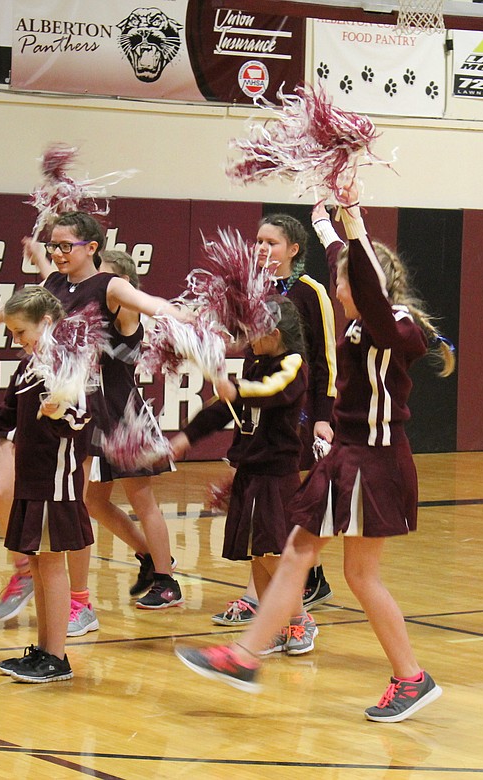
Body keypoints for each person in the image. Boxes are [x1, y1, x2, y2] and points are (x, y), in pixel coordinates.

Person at [176, 188, 455, 724]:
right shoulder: (358, 317)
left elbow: (368, 289)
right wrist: (328, 225)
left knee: (359, 575)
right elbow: (344, 267)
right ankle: (246, 656)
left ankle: (411, 676)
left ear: (363, 283)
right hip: (349, 455)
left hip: (375, 459)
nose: (335, 286)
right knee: (301, 553)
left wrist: (353, 225)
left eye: (343, 279)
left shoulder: (394, 326)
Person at [0, 213, 186, 634]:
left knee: (91, 503)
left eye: (67, 245)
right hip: (44, 403)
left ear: (92, 248)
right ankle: (33, 573)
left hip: (95, 412)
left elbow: (148, 303)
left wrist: (179, 316)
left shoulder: (110, 288)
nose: (58, 252)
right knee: (28, 494)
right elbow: (12, 308)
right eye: (55, 245)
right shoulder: (53, 287)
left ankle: (105, 593)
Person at [0, 286, 92, 683]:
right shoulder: (29, 366)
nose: (17, 340)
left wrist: (59, 409)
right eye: (11, 334)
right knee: (41, 566)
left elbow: (82, 418)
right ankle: (43, 650)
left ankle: (57, 656)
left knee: (52, 565)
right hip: (30, 478)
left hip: (53, 481)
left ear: (46, 322)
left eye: (21, 332)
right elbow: (7, 415)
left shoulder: (67, 362)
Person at [211, 214, 339, 626]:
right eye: (259, 241)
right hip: (255, 407)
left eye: (273, 243)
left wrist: (323, 417)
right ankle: (267, 596)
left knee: (278, 508)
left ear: (294, 250)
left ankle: (289, 596)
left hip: (292, 407)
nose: (263, 249)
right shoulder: (250, 291)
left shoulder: (310, 292)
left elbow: (325, 360)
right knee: (257, 516)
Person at [171, 297, 317, 655]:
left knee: (273, 554)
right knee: (258, 554)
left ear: (275, 333)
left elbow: (272, 392)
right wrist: (185, 438)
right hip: (251, 472)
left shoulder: (293, 365)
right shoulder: (256, 365)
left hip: (276, 474)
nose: (249, 338)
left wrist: (238, 389)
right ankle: (277, 622)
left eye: (255, 332)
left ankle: (301, 620)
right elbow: (223, 409)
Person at [88, 249, 181, 612]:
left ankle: (167, 582)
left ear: (122, 283)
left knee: (144, 502)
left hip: (127, 419)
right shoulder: (94, 309)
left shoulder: (125, 310)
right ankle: (148, 555)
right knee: (92, 500)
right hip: (98, 418)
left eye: (104, 278)